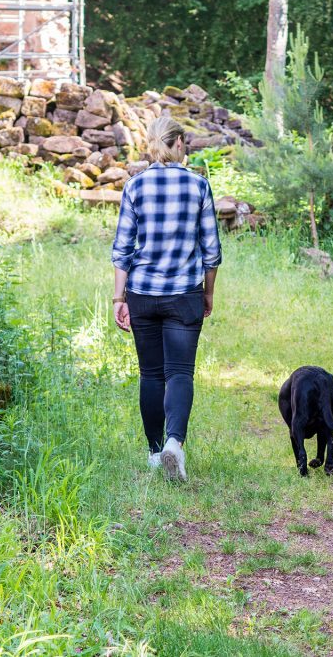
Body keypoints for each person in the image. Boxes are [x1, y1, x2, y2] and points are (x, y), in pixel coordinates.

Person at [111, 116, 222, 482]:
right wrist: (208, 294)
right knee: (179, 372)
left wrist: (118, 297)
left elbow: (122, 248)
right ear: (178, 144)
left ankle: (155, 452)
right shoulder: (198, 186)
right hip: (184, 295)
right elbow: (211, 251)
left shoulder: (134, 186)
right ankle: (175, 442)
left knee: (151, 374)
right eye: (184, 145)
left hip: (142, 293)